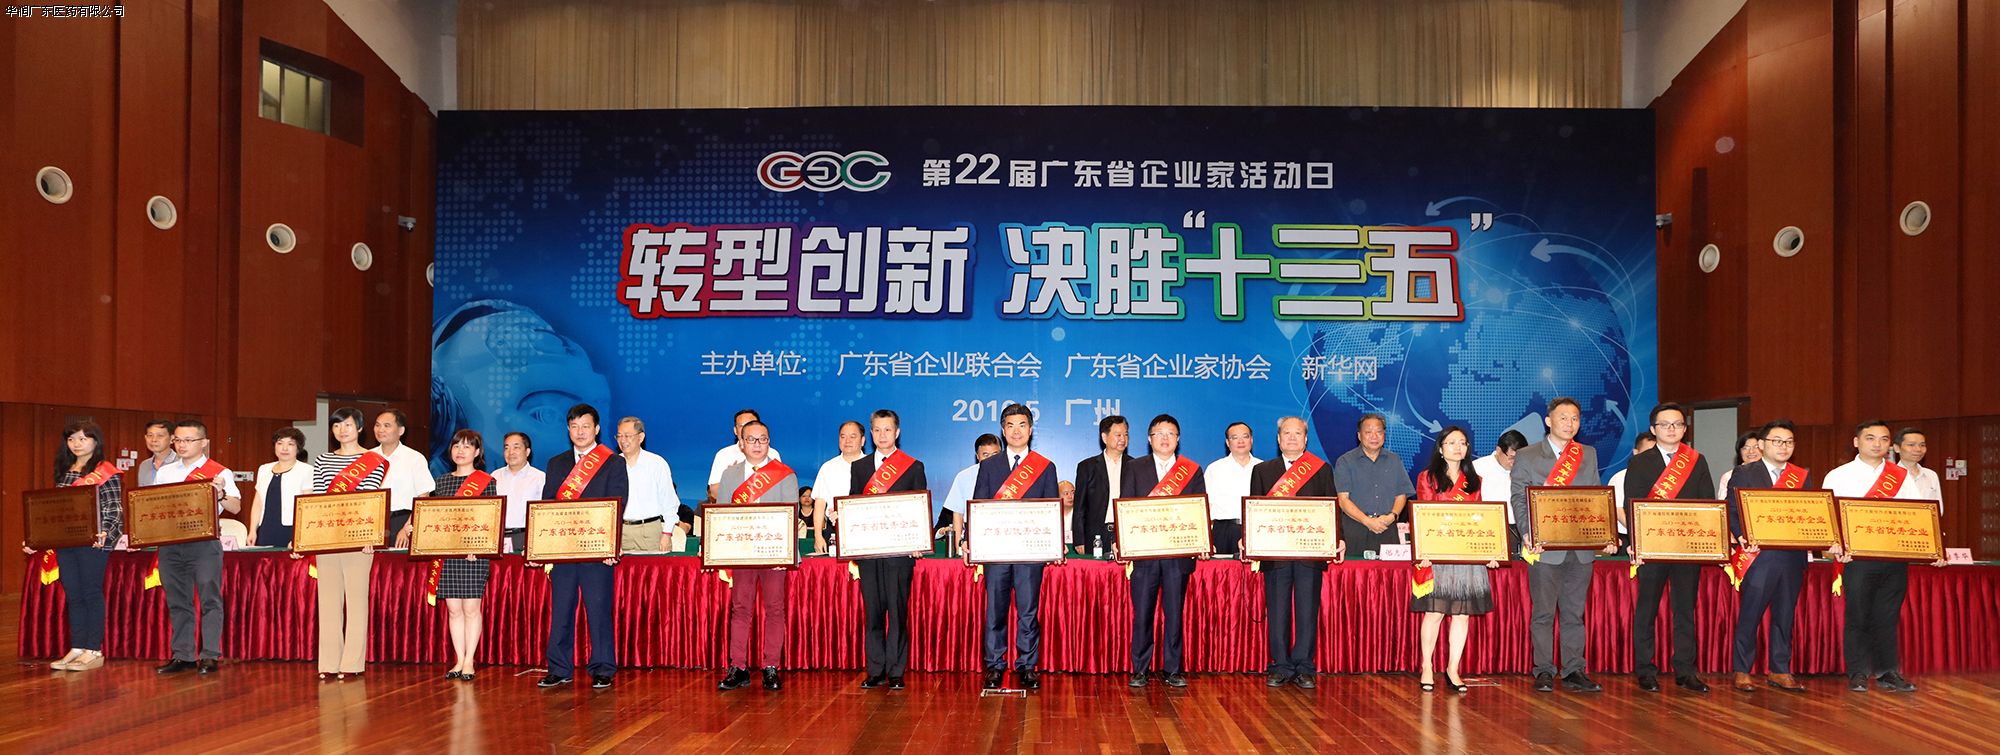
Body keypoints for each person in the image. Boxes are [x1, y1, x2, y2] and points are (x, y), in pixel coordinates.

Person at [1824, 421, 1944, 693]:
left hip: (1894, 556)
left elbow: (1919, 513)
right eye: (1870, 438)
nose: (1877, 444)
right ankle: (1857, 672)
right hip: (1858, 559)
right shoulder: (1838, 475)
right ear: (1856, 442)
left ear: (1890, 444)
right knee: (1858, 615)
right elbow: (1830, 516)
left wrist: (1934, 549)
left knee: (1888, 616)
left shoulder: (1900, 476)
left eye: (1883, 439)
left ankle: (1887, 671)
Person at [1511, 397, 1611, 693]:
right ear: (1548, 421)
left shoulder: (1588, 454)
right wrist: (1528, 533)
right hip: (1544, 548)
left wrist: (1605, 535)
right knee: (1543, 613)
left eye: (1575, 418)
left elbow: (1596, 496)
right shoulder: (1528, 455)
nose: (1570, 424)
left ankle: (1574, 670)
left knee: (1574, 613)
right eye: (1563, 418)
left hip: (1581, 548)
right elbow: (1519, 498)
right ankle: (1543, 670)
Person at [536, 404, 627, 690]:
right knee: (561, 610)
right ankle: (558, 668)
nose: (580, 432)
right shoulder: (556, 463)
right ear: (568, 429)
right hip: (563, 549)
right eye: (574, 427)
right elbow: (547, 505)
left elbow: (618, 505)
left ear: (596, 429)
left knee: (598, 609)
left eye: (585, 426)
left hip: (596, 549)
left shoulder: (612, 462)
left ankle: (603, 668)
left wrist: (611, 546)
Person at [1622, 404, 1713, 693]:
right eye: (1665, 424)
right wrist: (1637, 542)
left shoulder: (1696, 460)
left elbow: (1708, 502)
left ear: (1685, 429)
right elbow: (1631, 504)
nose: (1672, 429)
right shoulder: (1640, 462)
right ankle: (1645, 669)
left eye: (1677, 424)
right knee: (1647, 609)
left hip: (1687, 548)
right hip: (1652, 546)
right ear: (1653, 429)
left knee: (1685, 610)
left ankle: (1686, 670)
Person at [972, 403, 1061, 691]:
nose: (1016, 431)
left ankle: (1027, 665)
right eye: (1010, 426)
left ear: (1030, 429)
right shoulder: (989, 466)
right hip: (996, 552)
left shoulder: (1045, 467)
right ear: (1003, 430)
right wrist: (972, 541)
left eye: (1022, 425)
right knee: (995, 611)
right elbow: (979, 506)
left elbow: (1051, 510)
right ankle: (995, 664)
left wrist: (1054, 544)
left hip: (1030, 553)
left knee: (1028, 611)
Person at [1248, 415, 1339, 688]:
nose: (1291, 438)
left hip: (1310, 552)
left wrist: (1338, 539)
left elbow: (1331, 507)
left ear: (1305, 439)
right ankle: (1280, 665)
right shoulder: (1263, 471)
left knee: (1307, 611)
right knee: (1277, 611)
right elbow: (1255, 510)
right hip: (1275, 553)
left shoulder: (1321, 469)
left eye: (1297, 433)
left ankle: (1304, 666)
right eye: (1286, 433)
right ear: (1278, 439)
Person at [24, 420, 123, 672]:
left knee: (91, 593)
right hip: (67, 542)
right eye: (71, 439)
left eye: (82, 438)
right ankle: (77, 647)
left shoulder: (105, 471)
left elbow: (114, 509)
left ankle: (94, 649)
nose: (76, 444)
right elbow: (56, 509)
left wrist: (106, 533)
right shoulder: (66, 470)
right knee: (73, 594)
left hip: (93, 543)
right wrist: (37, 538)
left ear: (95, 441)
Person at [1725, 419, 1812, 693]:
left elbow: (1811, 513)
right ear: (1762, 445)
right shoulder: (1745, 472)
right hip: (1758, 556)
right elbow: (1732, 508)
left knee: (1785, 616)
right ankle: (1742, 670)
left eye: (1789, 442)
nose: (1783, 446)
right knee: (1750, 614)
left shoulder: (1802, 476)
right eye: (1777, 441)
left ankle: (1780, 669)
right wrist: (1741, 536)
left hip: (1792, 557)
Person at [1121, 413, 1206, 688]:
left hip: (1177, 557)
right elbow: (1126, 506)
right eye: (1159, 433)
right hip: (1144, 555)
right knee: (1143, 614)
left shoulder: (1191, 470)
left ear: (1178, 439)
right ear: (1150, 439)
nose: (1165, 438)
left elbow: (1199, 509)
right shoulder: (1134, 468)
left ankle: (1172, 669)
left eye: (1171, 433)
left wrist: (1202, 540)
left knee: (1174, 614)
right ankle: (1140, 668)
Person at [1409, 425, 1496, 694]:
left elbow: (1481, 518)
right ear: (1440, 447)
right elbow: (1423, 515)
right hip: (1437, 554)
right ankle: (1426, 665)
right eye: (1451, 442)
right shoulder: (1428, 477)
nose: (1458, 447)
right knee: (1434, 612)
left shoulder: (1475, 480)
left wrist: (1491, 551)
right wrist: (1423, 552)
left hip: (1466, 554)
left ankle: (1453, 669)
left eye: (1463, 443)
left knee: (1462, 615)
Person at [716, 419, 799, 692]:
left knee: (775, 609)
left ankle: (771, 666)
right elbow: (721, 516)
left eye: (763, 439)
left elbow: (791, 516)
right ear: (741, 443)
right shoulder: (729, 475)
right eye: (751, 439)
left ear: (769, 442)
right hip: (742, 553)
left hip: (774, 553)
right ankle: (738, 666)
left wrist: (786, 554)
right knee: (740, 608)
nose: (757, 444)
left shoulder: (785, 474)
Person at [152, 419, 239, 675]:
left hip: (204, 543)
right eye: (178, 440)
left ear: (204, 443)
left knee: (209, 598)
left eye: (188, 440)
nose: (182, 445)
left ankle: (210, 655)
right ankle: (183, 655)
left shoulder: (219, 472)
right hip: (171, 543)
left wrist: (221, 494)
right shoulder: (165, 472)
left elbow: (236, 507)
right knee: (178, 599)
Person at [305, 407, 386, 680]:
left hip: (359, 538)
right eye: (337, 425)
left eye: (348, 425)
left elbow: (371, 500)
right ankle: (329, 662)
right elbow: (319, 498)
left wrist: (372, 536)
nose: (342, 430)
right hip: (328, 537)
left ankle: (352, 663)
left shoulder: (373, 460)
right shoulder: (323, 459)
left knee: (356, 600)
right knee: (328, 601)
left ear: (360, 428)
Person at [850, 409, 928, 690]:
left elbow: (920, 506)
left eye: (887, 430)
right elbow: (853, 506)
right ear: (871, 433)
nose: (882, 435)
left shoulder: (913, 466)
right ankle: (875, 670)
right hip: (869, 553)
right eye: (877, 430)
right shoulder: (859, 467)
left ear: (897, 432)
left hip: (899, 555)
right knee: (872, 612)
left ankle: (896, 671)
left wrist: (919, 541)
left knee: (896, 613)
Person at [435, 429, 498, 682]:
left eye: (467, 446)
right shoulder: (441, 482)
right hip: (449, 553)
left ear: (477, 452)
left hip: (474, 554)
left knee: (471, 609)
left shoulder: (486, 482)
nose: (460, 451)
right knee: (453, 609)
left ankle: (470, 659)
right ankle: (458, 659)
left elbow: (490, 518)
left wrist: (479, 546)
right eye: (456, 446)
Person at [1334, 413, 1414, 556]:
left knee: (1390, 571)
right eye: (1368, 432)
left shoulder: (1394, 460)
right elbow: (1343, 500)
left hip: (1387, 528)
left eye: (1378, 432)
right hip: (1355, 529)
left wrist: (1392, 516)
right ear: (1359, 436)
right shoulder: (1345, 461)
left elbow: (1401, 494)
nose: (1374, 436)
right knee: (1355, 570)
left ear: (1384, 435)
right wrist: (1367, 521)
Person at [615, 417, 679, 553]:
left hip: (650, 531)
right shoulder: (612, 464)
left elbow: (669, 501)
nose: (623, 440)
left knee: (653, 567)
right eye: (619, 436)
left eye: (627, 435)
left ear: (641, 437)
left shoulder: (656, 463)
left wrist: (667, 533)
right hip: (620, 531)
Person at [1072, 415, 1132, 556]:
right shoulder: (1087, 467)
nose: (1123, 439)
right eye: (1118, 435)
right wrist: (1079, 539)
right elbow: (1079, 507)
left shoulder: (1135, 466)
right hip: (1095, 535)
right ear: (1104, 437)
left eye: (1125, 434)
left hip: (1126, 533)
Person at [378, 409, 438, 547]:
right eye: (377, 425)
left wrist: (407, 528)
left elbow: (424, 496)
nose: (380, 429)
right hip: (375, 521)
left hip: (403, 521)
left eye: (387, 425)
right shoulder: (367, 457)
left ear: (401, 430)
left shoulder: (414, 458)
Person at [249, 427, 313, 548]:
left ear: (298, 448)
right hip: (265, 528)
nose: (284, 448)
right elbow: (258, 502)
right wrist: (252, 530)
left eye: (290, 444)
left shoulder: (306, 470)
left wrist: (299, 536)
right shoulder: (264, 469)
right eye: (280, 443)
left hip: (291, 529)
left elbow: (307, 506)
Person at [1203, 421, 1259, 557]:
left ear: (1251, 440)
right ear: (1228, 443)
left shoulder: (1263, 467)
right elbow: (1205, 506)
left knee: (1255, 571)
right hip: (1223, 531)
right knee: (1223, 570)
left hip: (1255, 530)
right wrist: (1205, 539)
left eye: (1245, 436)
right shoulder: (1215, 468)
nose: (1241, 441)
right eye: (1235, 437)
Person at [811, 420, 866, 554]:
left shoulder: (874, 467)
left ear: (863, 441)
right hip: (834, 531)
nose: (847, 441)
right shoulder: (828, 468)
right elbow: (819, 503)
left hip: (867, 530)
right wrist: (818, 536)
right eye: (843, 436)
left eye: (853, 436)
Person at [707, 408, 783, 501]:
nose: (746, 428)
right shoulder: (724, 455)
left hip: (766, 507)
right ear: (735, 430)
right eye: (742, 425)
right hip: (734, 508)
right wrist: (731, 478)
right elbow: (714, 492)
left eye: (750, 424)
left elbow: (780, 489)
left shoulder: (772, 454)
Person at [1473, 430, 1528, 553]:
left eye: (1520, 458)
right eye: (1511, 457)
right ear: (1498, 450)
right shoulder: (1478, 468)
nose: (1515, 462)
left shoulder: (1527, 468)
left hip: (1521, 529)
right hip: (1487, 530)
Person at [941, 434, 1002, 545]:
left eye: (995, 454)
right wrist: (957, 547)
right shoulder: (964, 476)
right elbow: (958, 514)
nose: (991, 459)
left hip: (1003, 531)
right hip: (972, 532)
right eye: (985, 455)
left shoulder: (1010, 475)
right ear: (977, 456)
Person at [493, 431, 546, 555]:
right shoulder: (494, 476)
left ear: (527, 452)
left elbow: (544, 514)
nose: (511, 452)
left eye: (516, 447)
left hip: (525, 538)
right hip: (497, 539)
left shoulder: (539, 477)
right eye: (507, 448)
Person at [1608, 431, 1656, 549]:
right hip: (1627, 537)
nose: (1651, 458)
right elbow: (1619, 511)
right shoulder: (1620, 477)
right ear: (1636, 452)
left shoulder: (1665, 480)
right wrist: (1640, 533)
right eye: (1647, 453)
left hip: (1658, 536)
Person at [1893, 427, 1943, 509]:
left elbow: (1938, 508)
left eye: (1922, 445)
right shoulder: (1887, 475)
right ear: (1897, 448)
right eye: (1911, 445)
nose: (1918, 449)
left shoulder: (1931, 475)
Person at [1715, 430, 1762, 495]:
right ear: (1739, 452)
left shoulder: (1771, 472)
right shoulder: (1728, 476)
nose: (1751, 451)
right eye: (1745, 448)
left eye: (1756, 447)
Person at [136, 419, 174, 488]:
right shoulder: (144, 465)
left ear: (172, 439)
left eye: (160, 436)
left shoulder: (181, 462)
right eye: (150, 435)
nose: (154, 440)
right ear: (145, 438)